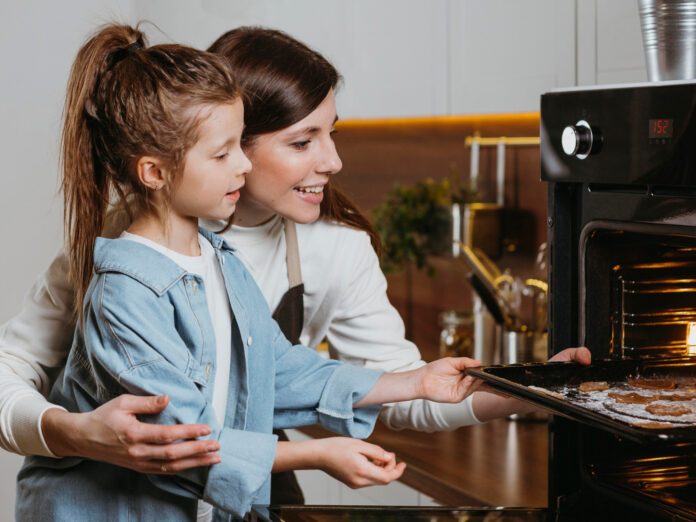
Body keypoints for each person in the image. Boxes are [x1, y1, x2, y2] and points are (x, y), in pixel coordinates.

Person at [0, 24, 591, 506]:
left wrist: (516, 390)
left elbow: (281, 372)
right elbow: (180, 437)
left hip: (231, 465)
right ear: (230, 141)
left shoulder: (244, 256)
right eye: (302, 141)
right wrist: (71, 430)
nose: (333, 161)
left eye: (331, 134)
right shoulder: (119, 256)